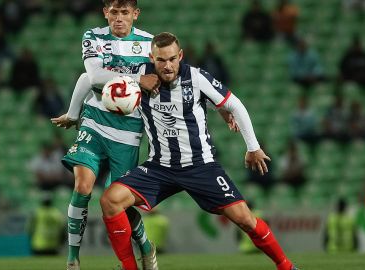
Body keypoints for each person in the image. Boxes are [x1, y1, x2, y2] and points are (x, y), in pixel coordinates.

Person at [99, 32, 298, 270]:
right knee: (110, 200)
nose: (168, 65)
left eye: (172, 58)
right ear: (152, 58)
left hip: (201, 165)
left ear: (180, 56)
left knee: (245, 219)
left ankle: (286, 266)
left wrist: (253, 147)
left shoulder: (196, 77)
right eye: (161, 60)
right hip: (159, 166)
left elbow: (235, 104)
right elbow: (95, 76)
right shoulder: (138, 76)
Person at [50, 1, 162, 269]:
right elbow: (94, 76)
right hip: (95, 120)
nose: (119, 18)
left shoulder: (149, 43)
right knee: (83, 186)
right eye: (114, 12)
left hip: (129, 130)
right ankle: (73, 259)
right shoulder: (94, 36)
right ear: (105, 13)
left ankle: (146, 246)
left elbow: (160, 81)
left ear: (135, 14)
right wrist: (75, 113)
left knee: (118, 201)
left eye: (125, 13)